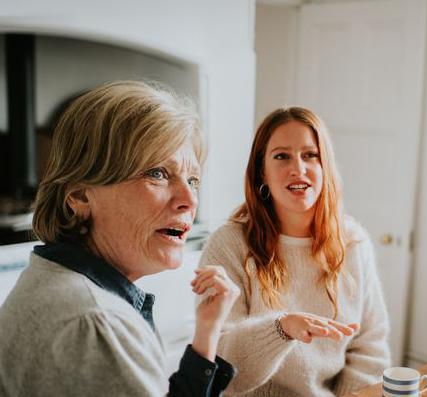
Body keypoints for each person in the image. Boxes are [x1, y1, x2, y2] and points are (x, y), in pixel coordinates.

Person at [0, 81, 239, 396]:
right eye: (157, 173)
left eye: (192, 179)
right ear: (80, 195)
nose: (189, 199)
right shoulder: (96, 325)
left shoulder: (52, 278)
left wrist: (207, 333)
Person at [198, 107, 391, 396]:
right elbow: (225, 367)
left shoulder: (353, 243)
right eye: (281, 156)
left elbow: (370, 348)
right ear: (261, 171)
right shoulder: (228, 244)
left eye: (310, 155)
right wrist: (281, 328)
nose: (298, 168)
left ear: (325, 165)